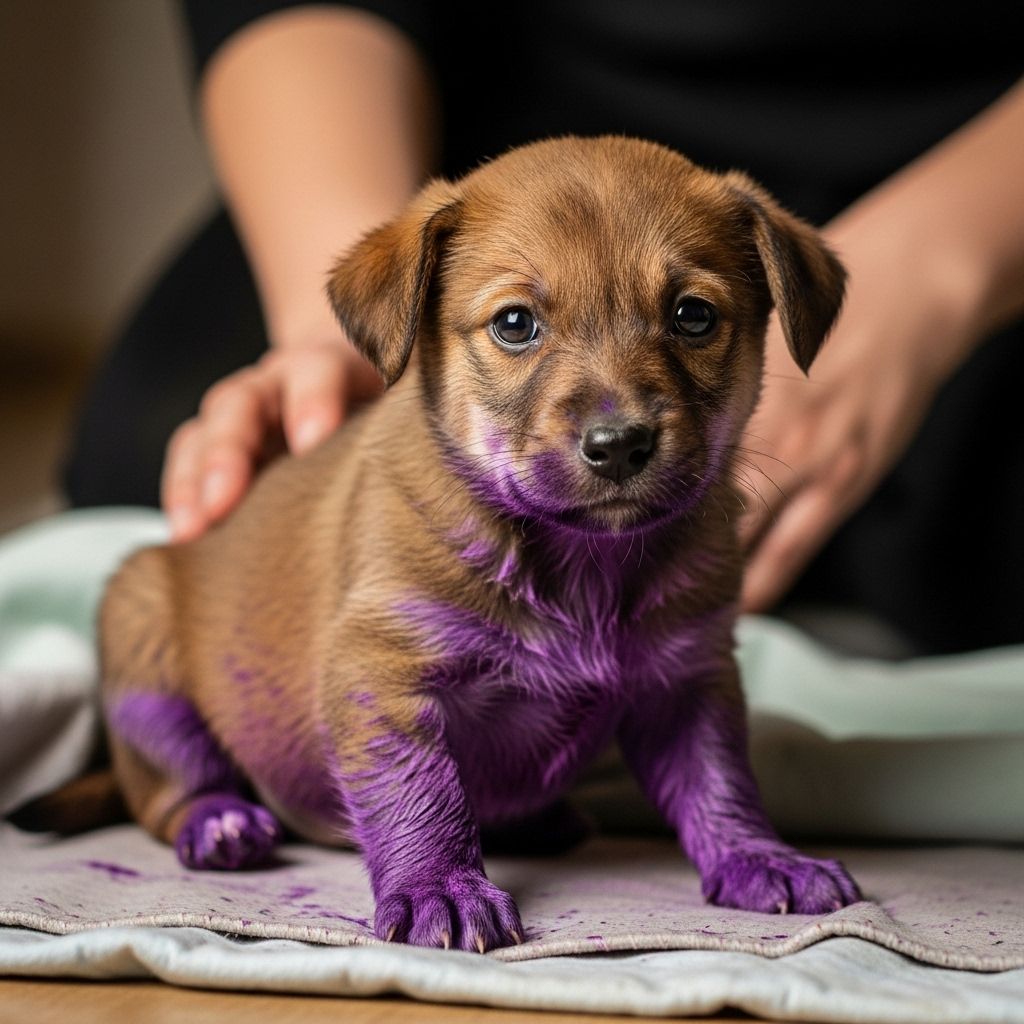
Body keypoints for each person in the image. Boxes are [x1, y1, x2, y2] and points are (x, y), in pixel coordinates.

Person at [63, 2, 1024, 656]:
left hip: (970, 171)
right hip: (476, 136)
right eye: (516, 327)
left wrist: (931, 280)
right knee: (171, 444)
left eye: (693, 321)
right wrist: (343, 331)